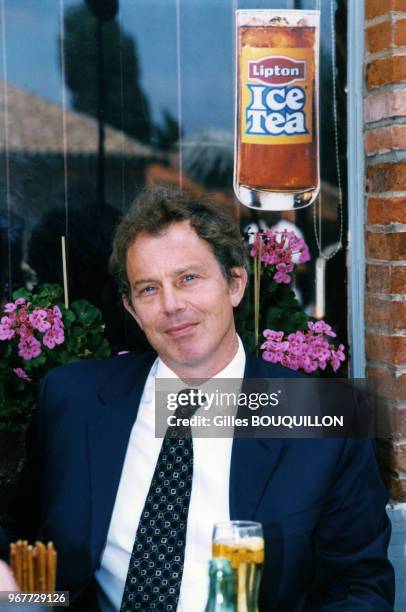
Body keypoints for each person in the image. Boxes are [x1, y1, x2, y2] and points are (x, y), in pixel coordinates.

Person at [0, 187, 394, 611]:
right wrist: (23, 598)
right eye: (149, 289)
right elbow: (20, 540)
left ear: (236, 284)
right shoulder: (73, 400)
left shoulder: (318, 416)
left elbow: (358, 586)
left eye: (189, 278)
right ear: (131, 310)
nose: (172, 305)